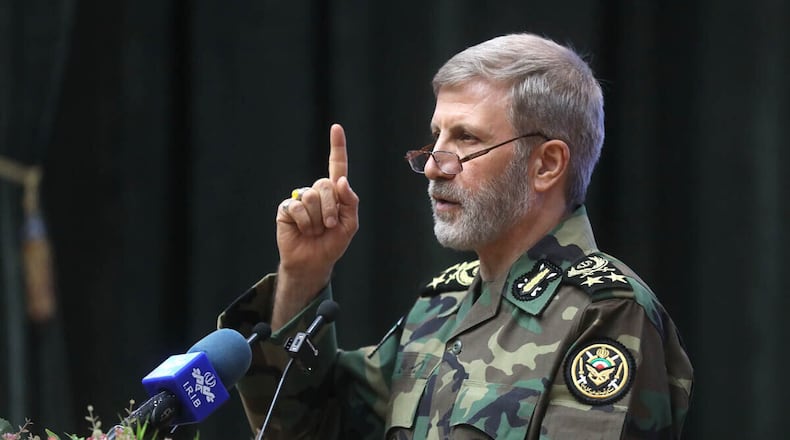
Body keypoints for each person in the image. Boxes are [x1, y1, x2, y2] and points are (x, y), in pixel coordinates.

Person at [218, 33, 693, 439]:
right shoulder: (442, 304)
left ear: (546, 164)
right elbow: (303, 426)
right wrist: (304, 272)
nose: (432, 166)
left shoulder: (606, 313)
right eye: (436, 136)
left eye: (466, 138)